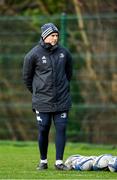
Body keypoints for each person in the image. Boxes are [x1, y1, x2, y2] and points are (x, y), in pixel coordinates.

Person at [23, 23, 73, 170]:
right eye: (52, 35)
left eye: (57, 35)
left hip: (62, 99)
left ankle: (59, 162)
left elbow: (68, 73)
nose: (55, 38)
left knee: (62, 128)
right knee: (44, 128)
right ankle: (43, 161)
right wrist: (38, 92)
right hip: (42, 100)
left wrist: (62, 88)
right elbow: (27, 78)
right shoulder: (32, 55)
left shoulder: (64, 53)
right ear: (45, 36)